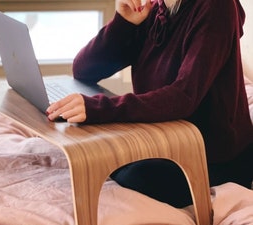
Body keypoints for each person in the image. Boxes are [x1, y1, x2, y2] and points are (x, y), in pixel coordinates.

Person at [46, 0, 253, 207]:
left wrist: (100, 108)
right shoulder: (154, 9)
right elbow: (84, 69)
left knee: (129, 174)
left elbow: (184, 96)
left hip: (213, 157)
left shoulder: (217, 6)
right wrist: (123, 22)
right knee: (94, 154)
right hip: (160, 139)